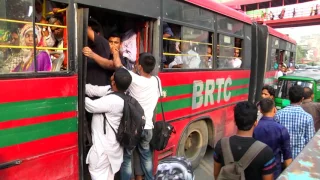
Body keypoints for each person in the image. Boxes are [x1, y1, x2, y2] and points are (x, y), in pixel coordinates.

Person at [113, 52, 161, 180]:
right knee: (146, 156)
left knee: (127, 157)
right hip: (148, 127)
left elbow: (118, 64)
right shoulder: (157, 80)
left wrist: (114, 50)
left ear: (140, 66)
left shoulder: (134, 79)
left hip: (134, 128)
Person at [85, 68, 132, 180]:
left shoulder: (112, 101)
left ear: (114, 83)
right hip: (114, 148)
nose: (111, 76)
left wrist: (75, 92)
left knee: (99, 175)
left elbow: (90, 105)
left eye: (113, 76)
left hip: (103, 150)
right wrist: (80, 84)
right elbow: (94, 90)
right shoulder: (121, 94)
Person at [214, 101, 276, 180]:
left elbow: (216, 175)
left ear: (235, 122)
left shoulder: (221, 144)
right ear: (256, 123)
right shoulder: (266, 152)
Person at [253, 98, 292, 178]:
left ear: (260, 110)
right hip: (274, 171)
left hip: (256, 171)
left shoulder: (254, 128)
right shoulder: (281, 129)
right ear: (274, 109)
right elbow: (287, 156)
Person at [275, 85, 315, 159]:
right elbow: (310, 142)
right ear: (302, 99)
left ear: (289, 98)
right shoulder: (307, 117)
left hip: (282, 158)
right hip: (298, 159)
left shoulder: (278, 114)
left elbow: (275, 137)